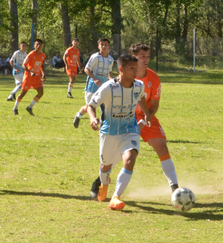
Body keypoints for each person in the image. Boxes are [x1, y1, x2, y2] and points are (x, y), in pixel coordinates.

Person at [86, 54, 153, 210]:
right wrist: (92, 119)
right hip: (108, 132)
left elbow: (141, 98)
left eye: (136, 68)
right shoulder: (108, 87)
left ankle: (115, 197)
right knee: (105, 166)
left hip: (130, 129)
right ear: (121, 69)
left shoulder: (138, 85)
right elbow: (91, 105)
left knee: (130, 158)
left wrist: (147, 114)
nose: (135, 71)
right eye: (131, 68)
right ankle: (104, 184)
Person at [131, 43, 180, 194]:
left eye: (148, 56)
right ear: (134, 57)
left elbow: (155, 104)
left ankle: (175, 188)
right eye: (142, 56)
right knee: (122, 152)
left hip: (147, 116)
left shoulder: (154, 78)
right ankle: (102, 181)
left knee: (162, 147)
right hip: (127, 116)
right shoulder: (126, 75)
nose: (146, 59)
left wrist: (146, 119)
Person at [73, 38, 115, 128]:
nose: (103, 46)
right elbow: (86, 69)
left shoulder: (111, 59)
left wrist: (112, 81)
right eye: (102, 45)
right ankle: (78, 115)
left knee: (105, 105)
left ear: (108, 47)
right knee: (90, 106)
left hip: (104, 86)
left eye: (105, 45)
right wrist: (95, 79)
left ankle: (102, 126)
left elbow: (109, 73)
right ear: (98, 46)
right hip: (92, 85)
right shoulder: (95, 57)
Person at [13, 39, 46, 116]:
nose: (38, 46)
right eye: (37, 44)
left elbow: (42, 64)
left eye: (40, 44)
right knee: (23, 93)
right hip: (28, 77)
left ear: (42, 46)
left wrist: (43, 74)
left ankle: (30, 107)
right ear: (34, 45)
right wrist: (30, 72)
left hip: (37, 77)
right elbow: (23, 65)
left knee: (41, 93)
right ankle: (15, 107)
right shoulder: (31, 54)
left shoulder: (43, 55)